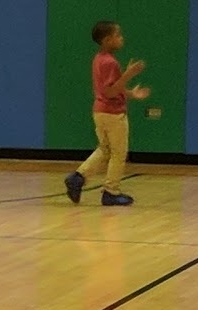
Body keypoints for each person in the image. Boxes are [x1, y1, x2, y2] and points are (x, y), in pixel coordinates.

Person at [64, 21, 149, 207]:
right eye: (118, 35)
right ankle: (111, 191)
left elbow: (108, 89)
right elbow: (111, 92)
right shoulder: (110, 62)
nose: (121, 38)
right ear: (107, 40)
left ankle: (78, 177)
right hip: (113, 114)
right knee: (119, 153)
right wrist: (129, 74)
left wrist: (130, 93)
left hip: (100, 111)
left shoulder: (99, 59)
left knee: (105, 149)